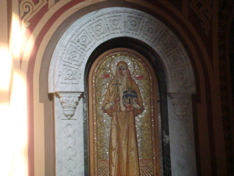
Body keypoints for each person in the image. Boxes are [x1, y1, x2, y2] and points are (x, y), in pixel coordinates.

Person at [102, 61, 143, 176]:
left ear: (128, 70)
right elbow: (104, 106)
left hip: (129, 118)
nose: (122, 71)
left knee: (130, 146)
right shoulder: (112, 84)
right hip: (117, 118)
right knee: (116, 146)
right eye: (120, 69)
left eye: (124, 69)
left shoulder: (132, 84)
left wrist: (132, 106)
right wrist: (112, 102)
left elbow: (140, 105)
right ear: (116, 70)